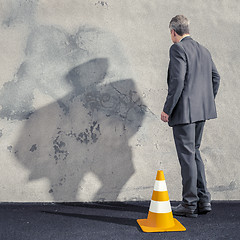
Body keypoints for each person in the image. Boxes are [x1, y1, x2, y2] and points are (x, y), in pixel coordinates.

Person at [161, 15, 220, 217]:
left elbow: (177, 81)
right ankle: (203, 200)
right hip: (201, 112)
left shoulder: (177, 48)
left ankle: (189, 203)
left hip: (184, 113)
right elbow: (215, 77)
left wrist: (167, 109)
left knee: (187, 157)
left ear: (173, 32)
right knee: (194, 153)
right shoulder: (204, 50)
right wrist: (205, 101)